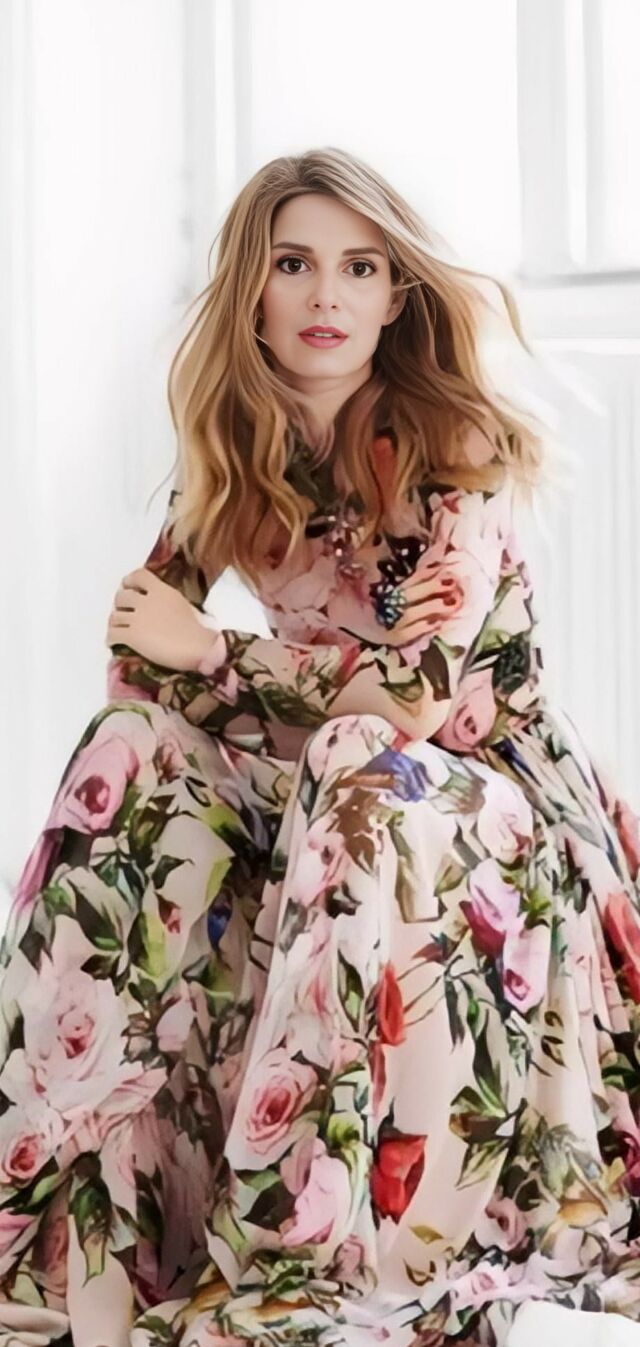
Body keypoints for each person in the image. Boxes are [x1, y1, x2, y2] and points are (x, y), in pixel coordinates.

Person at [2, 147, 640, 1347]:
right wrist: (220, 689)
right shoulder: (240, 450)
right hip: (327, 777)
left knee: (352, 756)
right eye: (292, 264)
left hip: (487, 808)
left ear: (397, 296)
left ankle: (295, 1249)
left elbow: (416, 706)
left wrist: (222, 656)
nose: (325, 296)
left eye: (358, 268)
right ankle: (71, 1209)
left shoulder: (453, 446)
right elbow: (141, 663)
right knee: (130, 745)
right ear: (252, 290)